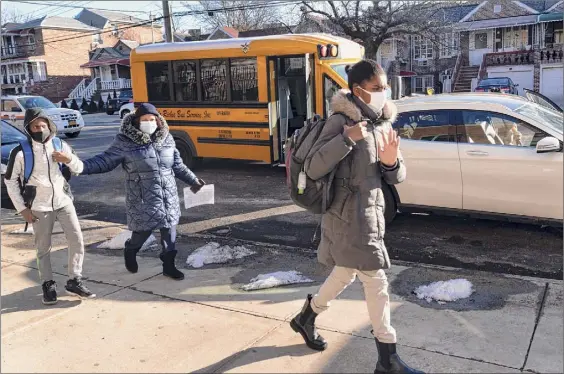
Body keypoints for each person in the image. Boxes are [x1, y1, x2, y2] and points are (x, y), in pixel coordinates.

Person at [289, 60, 423, 374]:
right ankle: (387, 360)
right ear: (358, 90)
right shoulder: (339, 122)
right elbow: (313, 168)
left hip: (372, 215)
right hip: (347, 217)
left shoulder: (384, 123)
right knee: (376, 282)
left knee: (345, 273)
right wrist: (347, 139)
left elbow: (397, 175)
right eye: (377, 88)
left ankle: (306, 316)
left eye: (386, 87)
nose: (384, 93)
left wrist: (391, 163)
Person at [55, 103, 205, 280]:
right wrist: (75, 165)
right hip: (142, 199)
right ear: (136, 122)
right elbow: (103, 162)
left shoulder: (167, 139)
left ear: (158, 121)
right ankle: (130, 249)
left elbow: (178, 166)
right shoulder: (125, 142)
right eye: (145, 120)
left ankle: (169, 266)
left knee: (170, 235)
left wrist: (194, 181)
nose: (149, 122)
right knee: (141, 235)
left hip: (168, 197)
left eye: (152, 119)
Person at [4, 108, 95, 305]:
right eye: (36, 126)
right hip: (39, 206)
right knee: (43, 248)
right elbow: (10, 181)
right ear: (29, 128)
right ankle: (47, 284)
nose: (40, 129)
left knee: (77, 240)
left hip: (63, 201)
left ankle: (74, 280)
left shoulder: (60, 144)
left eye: (43, 125)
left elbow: (79, 168)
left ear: (49, 126)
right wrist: (22, 209)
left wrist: (68, 159)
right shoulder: (20, 152)